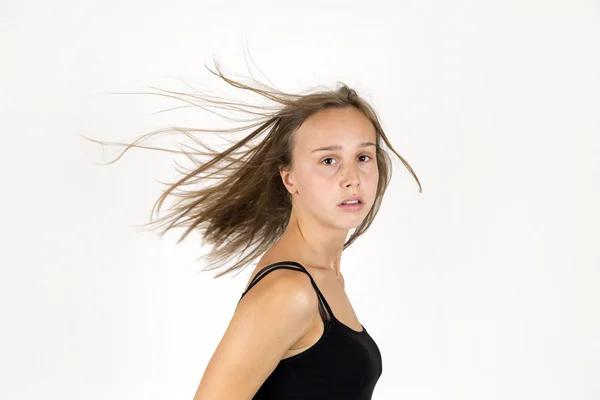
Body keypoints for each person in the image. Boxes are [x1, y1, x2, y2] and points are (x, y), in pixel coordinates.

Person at [87, 59, 421, 399]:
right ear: (290, 178)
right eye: (328, 160)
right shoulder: (291, 291)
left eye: (363, 157)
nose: (352, 178)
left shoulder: (325, 276)